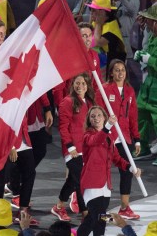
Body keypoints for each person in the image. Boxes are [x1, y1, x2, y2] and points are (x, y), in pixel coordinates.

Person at [77, 106, 141, 236]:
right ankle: (117, 222)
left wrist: (131, 168)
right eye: (93, 116)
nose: (96, 118)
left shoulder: (109, 138)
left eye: (99, 115)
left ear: (104, 117)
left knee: (92, 218)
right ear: (89, 120)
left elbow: (117, 158)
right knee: (100, 217)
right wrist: (116, 221)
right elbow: (96, 141)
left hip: (106, 186)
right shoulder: (87, 136)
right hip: (91, 184)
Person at [95, 59, 141, 219]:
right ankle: (94, 208)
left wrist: (137, 139)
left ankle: (124, 207)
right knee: (101, 171)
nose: (120, 73)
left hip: (124, 137)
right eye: (117, 70)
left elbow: (133, 116)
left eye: (123, 70)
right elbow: (97, 113)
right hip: (107, 136)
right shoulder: (105, 89)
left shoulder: (129, 91)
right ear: (111, 73)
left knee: (127, 170)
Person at [51, 73, 94, 221]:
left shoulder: (89, 102)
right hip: (73, 150)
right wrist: (70, 147)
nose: (80, 86)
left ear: (87, 85)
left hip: (86, 148)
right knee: (80, 180)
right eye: (77, 83)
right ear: (72, 85)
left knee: (73, 180)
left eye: (83, 83)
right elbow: (63, 128)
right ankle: (85, 213)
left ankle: (58, 207)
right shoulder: (67, 102)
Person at [134, 6, 157, 166]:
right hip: (149, 84)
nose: (147, 22)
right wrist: (141, 55)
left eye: (149, 20)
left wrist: (151, 60)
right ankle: (142, 149)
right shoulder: (153, 37)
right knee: (141, 114)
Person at [87, 0, 125, 77]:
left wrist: (98, 24)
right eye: (90, 9)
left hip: (112, 66)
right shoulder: (98, 21)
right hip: (100, 62)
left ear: (102, 12)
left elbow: (97, 42)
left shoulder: (112, 27)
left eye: (93, 10)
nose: (91, 13)